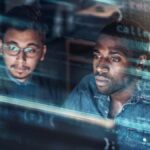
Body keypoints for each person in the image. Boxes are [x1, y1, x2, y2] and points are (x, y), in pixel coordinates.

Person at [64, 20, 150, 149]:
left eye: (114, 58)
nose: (100, 67)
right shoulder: (87, 87)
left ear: (139, 63)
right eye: (97, 55)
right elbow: (60, 135)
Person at [0, 5, 65, 106]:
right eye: (13, 48)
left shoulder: (51, 89)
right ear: (1, 47)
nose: (21, 59)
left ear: (42, 53)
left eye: (30, 50)